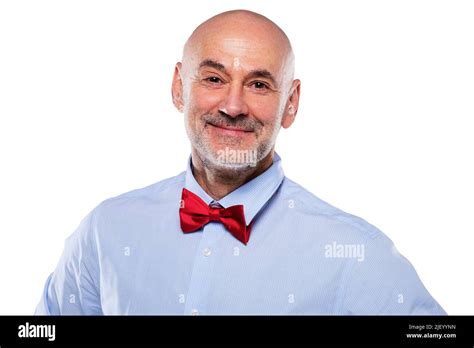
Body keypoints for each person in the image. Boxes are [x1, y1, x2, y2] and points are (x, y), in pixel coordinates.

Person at [35, 9, 445, 315]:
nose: (233, 106)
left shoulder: (358, 254)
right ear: (180, 87)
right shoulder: (104, 232)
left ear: (291, 103)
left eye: (259, 85)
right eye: (213, 78)